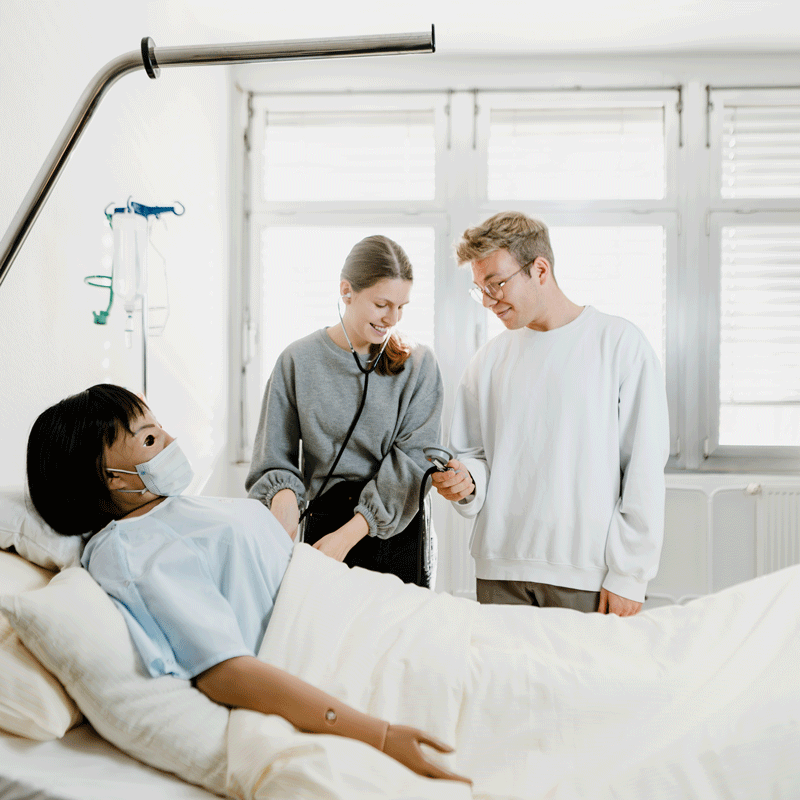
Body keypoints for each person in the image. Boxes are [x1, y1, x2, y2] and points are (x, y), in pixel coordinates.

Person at [25, 383, 468, 785]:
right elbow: (225, 672)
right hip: (335, 652)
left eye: (159, 428)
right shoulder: (128, 549)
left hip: (375, 614)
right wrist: (380, 734)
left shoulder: (177, 509)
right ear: (111, 478)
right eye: (149, 438)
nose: (170, 442)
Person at [432, 211, 670, 616]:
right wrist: (466, 482)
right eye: (480, 290)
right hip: (499, 568)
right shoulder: (487, 361)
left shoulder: (619, 345)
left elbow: (644, 468)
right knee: (500, 682)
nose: (489, 302)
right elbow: (475, 456)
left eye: (497, 285)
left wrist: (630, 575)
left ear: (539, 269)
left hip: (585, 574)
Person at [246, 234, 443, 585]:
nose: (392, 318)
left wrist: (348, 537)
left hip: (393, 531)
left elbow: (412, 462)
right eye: (382, 304)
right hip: (323, 524)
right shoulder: (297, 361)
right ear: (346, 291)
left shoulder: (419, 365)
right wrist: (284, 497)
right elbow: (273, 456)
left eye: (402, 306)